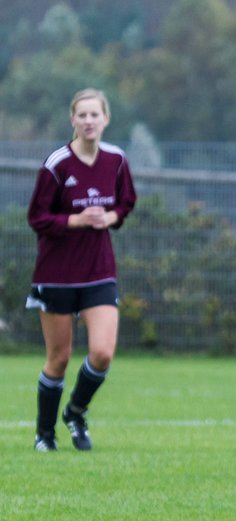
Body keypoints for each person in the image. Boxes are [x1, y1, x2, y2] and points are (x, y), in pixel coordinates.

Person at [27, 88, 136, 451]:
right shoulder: (57, 164)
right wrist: (75, 220)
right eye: (82, 115)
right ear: (72, 120)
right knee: (58, 358)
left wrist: (112, 216)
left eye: (95, 115)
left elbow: (126, 201)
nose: (89, 121)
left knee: (103, 351)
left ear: (106, 119)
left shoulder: (116, 160)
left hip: (98, 271)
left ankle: (75, 412)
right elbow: (37, 218)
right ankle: (45, 434)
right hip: (56, 274)